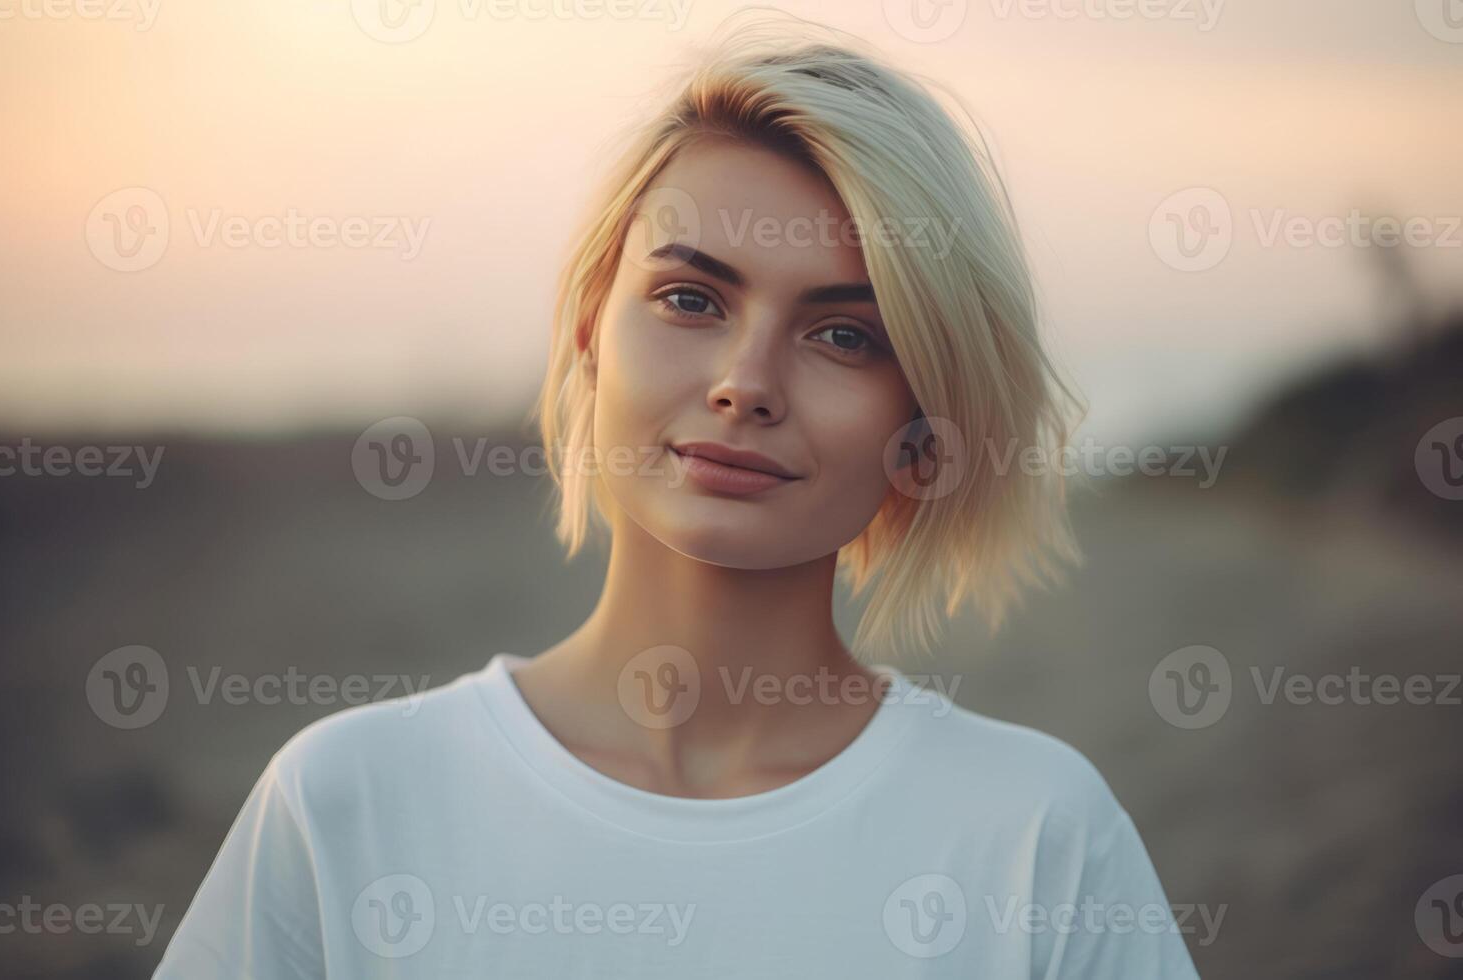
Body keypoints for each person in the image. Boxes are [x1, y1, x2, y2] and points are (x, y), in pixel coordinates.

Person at [153, 13, 1201, 978]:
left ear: (924, 432)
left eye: (845, 332)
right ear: (586, 335)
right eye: (689, 297)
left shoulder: (1039, 837)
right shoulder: (347, 800)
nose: (745, 380)